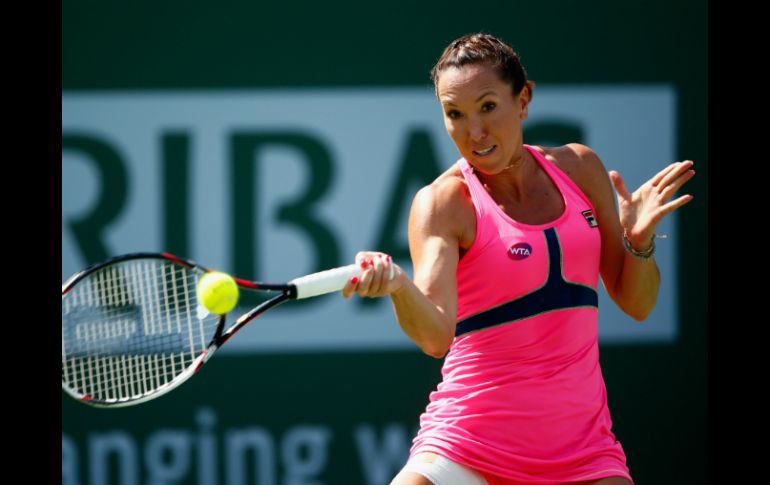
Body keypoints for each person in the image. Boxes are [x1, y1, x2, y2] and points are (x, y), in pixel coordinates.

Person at [341, 32, 695, 485]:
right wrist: (397, 286)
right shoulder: (443, 203)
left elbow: (638, 303)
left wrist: (638, 242)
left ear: (523, 99)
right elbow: (434, 337)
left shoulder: (580, 168)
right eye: (455, 115)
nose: (474, 132)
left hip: (583, 452)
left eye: (488, 106)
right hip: (467, 447)